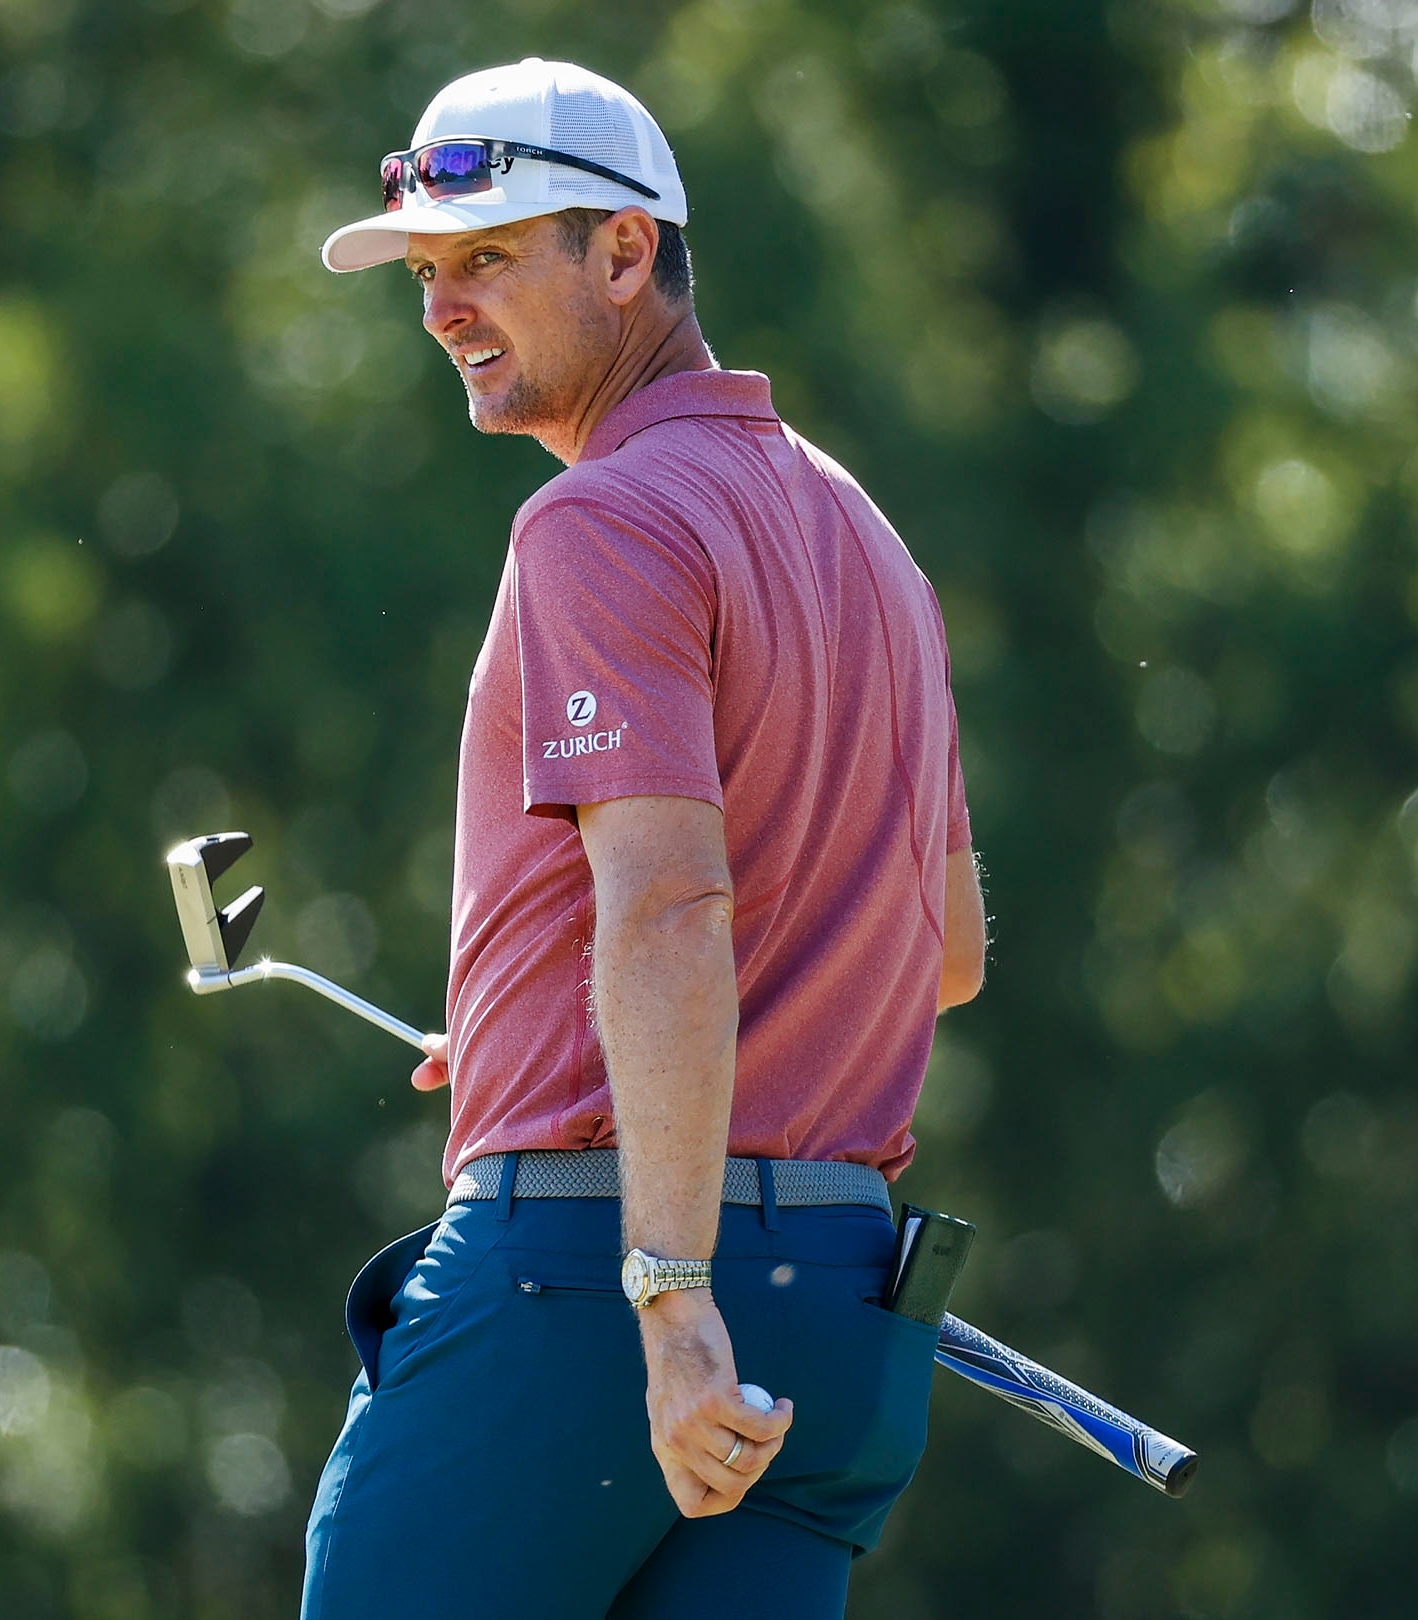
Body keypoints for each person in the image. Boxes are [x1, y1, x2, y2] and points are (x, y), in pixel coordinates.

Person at [300, 58, 985, 1620]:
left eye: (487, 258)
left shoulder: (599, 520)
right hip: (840, 1310)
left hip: (599, 1294)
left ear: (626, 252)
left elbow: (672, 909)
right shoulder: (868, 537)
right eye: (424, 272)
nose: (441, 311)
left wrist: (672, 1299)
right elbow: (935, 956)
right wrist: (560, 1019)